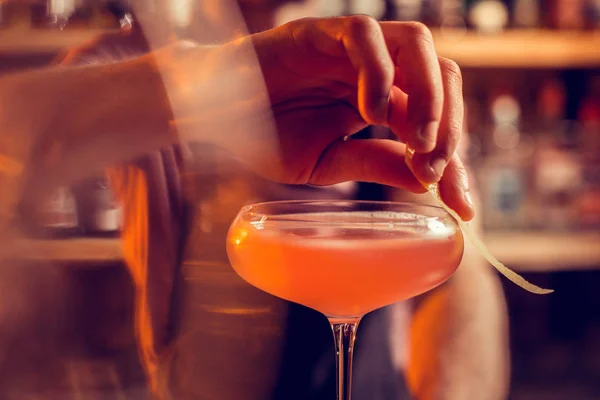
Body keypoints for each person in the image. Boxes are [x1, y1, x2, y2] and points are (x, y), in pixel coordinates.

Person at [0, 3, 508, 398]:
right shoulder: (127, 64)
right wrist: (194, 87)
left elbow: (458, 275)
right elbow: (22, 136)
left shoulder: (386, 71)